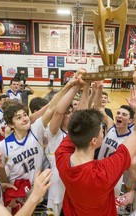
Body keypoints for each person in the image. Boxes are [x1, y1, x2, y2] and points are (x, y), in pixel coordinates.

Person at [55, 67, 136, 215]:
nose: (103, 131)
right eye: (101, 130)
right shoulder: (104, 172)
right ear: (94, 141)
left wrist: (85, 86)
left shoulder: (61, 156)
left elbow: (79, 119)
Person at [45, 77, 84, 215]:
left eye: (72, 112)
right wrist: (75, 87)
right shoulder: (54, 133)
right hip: (58, 181)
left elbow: (81, 112)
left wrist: (86, 87)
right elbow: (58, 112)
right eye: (68, 113)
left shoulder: (78, 132)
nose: (71, 115)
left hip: (77, 181)